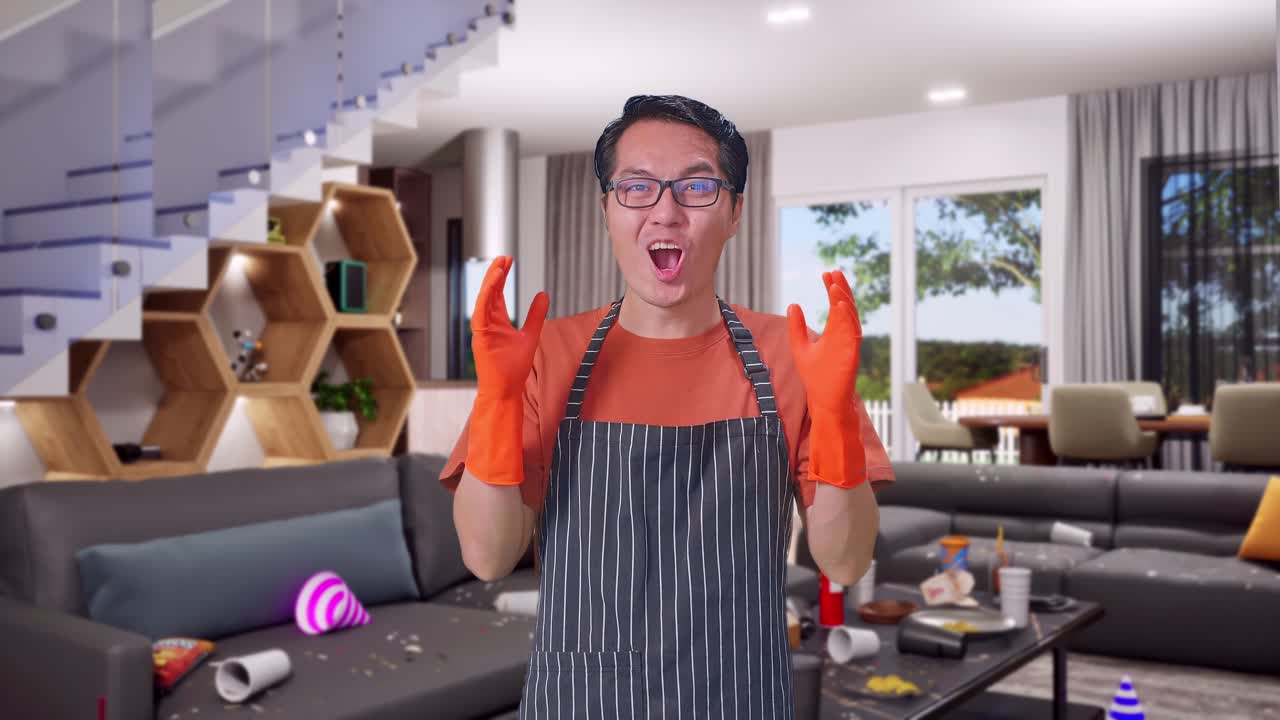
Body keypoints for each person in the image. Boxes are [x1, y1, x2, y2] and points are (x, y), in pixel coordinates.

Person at [439, 94, 894, 719]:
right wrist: (497, 399)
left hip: (739, 700)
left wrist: (835, 412)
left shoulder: (798, 359)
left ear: (734, 212)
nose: (666, 212)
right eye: (637, 188)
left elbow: (845, 559)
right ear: (606, 210)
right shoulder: (544, 357)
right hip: (581, 702)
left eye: (697, 187)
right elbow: (488, 558)